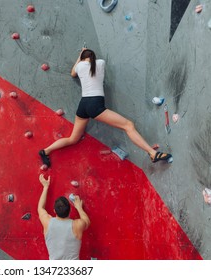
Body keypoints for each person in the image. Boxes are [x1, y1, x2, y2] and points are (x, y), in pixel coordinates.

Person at [39, 48, 172, 167]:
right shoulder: (101, 63)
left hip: (83, 105)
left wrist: (79, 56)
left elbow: (73, 73)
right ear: (94, 57)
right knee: (128, 125)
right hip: (95, 105)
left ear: (82, 58)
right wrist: (85, 56)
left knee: (73, 138)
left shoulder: (79, 66)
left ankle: (46, 151)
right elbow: (91, 64)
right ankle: (152, 153)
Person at [37, 174, 90, 260]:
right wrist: (79, 207)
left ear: (54, 211)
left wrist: (45, 187)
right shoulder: (77, 225)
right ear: (70, 210)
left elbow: (40, 208)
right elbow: (87, 221)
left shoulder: (47, 222)